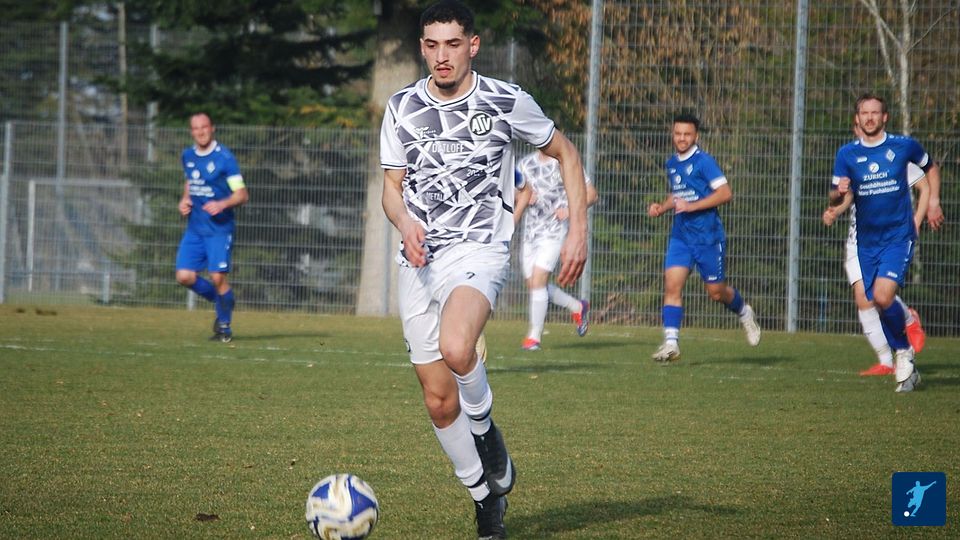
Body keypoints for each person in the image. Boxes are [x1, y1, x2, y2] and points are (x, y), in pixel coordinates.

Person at [378, 2, 588, 538]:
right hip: (418, 259)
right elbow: (391, 189)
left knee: (457, 347)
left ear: (472, 45)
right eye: (432, 45)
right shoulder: (402, 107)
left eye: (452, 44)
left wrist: (578, 232)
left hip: (479, 248)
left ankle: (486, 429)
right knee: (437, 400)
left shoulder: (504, 100)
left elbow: (567, 154)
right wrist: (404, 223)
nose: (441, 56)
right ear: (422, 47)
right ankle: (483, 497)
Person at [829, 93, 941, 392]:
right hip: (865, 241)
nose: (869, 118)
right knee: (873, 301)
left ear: (885, 117)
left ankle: (900, 353)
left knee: (881, 296)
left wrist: (932, 203)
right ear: (857, 119)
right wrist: (837, 196)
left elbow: (930, 169)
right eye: (864, 113)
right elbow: (837, 194)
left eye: (875, 113)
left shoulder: (902, 147)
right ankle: (902, 352)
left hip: (897, 236)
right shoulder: (847, 154)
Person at [646, 113, 760, 363]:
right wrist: (661, 207)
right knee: (672, 284)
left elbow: (725, 193)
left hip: (708, 237)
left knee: (716, 293)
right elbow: (678, 195)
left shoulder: (704, 162)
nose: (682, 138)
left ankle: (744, 311)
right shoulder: (672, 163)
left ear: (696, 136)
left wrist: (692, 206)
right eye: (678, 133)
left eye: (687, 134)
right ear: (672, 134)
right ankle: (671, 343)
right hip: (681, 236)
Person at [513, 150, 598, 351]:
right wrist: (522, 196)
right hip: (530, 233)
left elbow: (592, 194)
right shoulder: (525, 163)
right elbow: (512, 192)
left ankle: (534, 337)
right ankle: (577, 306)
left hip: (554, 232)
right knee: (534, 285)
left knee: (539, 281)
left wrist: (569, 210)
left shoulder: (565, 164)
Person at [175, 113, 249, 342]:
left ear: (212, 128)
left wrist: (222, 204)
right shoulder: (187, 156)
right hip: (195, 229)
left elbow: (242, 195)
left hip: (219, 230)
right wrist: (185, 199)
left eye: (204, 127)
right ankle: (222, 301)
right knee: (184, 276)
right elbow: (190, 181)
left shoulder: (225, 158)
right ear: (191, 132)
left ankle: (224, 327)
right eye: (196, 128)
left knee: (218, 278)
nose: (201, 131)